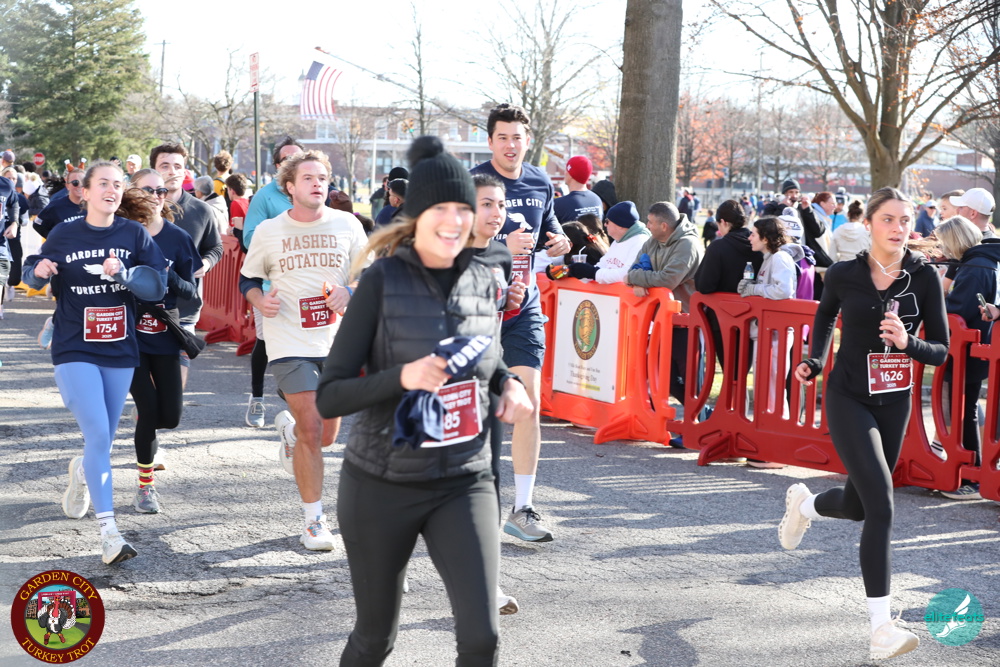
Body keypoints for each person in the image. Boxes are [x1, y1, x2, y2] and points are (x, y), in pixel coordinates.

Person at [315, 136, 532, 664]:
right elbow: (330, 396)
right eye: (442, 209)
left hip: (463, 480)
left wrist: (509, 384)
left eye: (464, 208)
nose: (455, 221)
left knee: (481, 637)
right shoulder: (381, 282)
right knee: (376, 639)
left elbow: (487, 359)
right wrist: (404, 377)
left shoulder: (484, 278)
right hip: (382, 485)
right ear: (417, 217)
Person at [785, 187, 949, 661]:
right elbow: (824, 317)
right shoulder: (843, 273)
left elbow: (940, 350)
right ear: (870, 223)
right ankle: (882, 630)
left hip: (895, 403)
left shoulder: (924, 277)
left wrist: (908, 343)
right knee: (882, 505)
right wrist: (815, 361)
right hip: (848, 396)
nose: (899, 228)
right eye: (889, 219)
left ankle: (805, 505)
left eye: (906, 220)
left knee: (858, 506)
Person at [21, 161, 168, 565]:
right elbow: (32, 276)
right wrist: (39, 269)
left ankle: (84, 471)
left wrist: (127, 273)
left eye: (118, 184)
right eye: (103, 183)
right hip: (74, 348)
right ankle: (110, 533)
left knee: (100, 440)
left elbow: (157, 286)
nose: (112, 190)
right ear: (84, 192)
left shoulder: (133, 234)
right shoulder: (64, 233)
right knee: (100, 435)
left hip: (119, 348)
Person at [240, 150, 368, 551]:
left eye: (323, 178)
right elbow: (248, 280)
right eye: (308, 178)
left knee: (325, 435)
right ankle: (314, 521)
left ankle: (290, 432)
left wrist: (350, 291)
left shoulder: (348, 224)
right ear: (290, 187)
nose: (317, 184)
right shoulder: (269, 231)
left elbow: (369, 273)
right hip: (288, 341)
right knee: (314, 427)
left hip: (337, 342)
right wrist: (260, 301)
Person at [470, 103, 571, 542]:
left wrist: (559, 239)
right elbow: (451, 248)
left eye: (518, 137)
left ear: (528, 141)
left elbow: (548, 227)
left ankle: (523, 508)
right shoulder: (471, 183)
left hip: (523, 304)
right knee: (476, 411)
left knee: (529, 401)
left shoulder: (540, 181)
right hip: (476, 308)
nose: (511, 145)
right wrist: (501, 248)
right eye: (503, 138)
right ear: (490, 141)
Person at [124, 170, 200, 514]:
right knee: (150, 410)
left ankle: (145, 416)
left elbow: (191, 293)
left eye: (162, 190)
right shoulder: (121, 234)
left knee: (170, 417)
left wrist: (167, 277)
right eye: (149, 190)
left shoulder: (178, 237)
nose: (157, 195)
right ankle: (145, 487)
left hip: (165, 333)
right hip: (129, 336)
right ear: (133, 193)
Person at [470, 172, 527, 615]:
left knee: (486, 483)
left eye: (501, 205)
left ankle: (485, 585)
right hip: (436, 388)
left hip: (487, 381)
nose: (496, 213)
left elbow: (492, 318)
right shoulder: (440, 256)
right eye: (486, 204)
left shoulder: (501, 256)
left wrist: (509, 301)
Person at [933, 215, 1000, 500]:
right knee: (966, 408)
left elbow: (958, 309)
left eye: (945, 243)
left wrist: (933, 302)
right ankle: (972, 472)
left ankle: (971, 476)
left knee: (963, 410)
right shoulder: (983, 259)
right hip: (977, 346)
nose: (943, 249)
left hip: (968, 350)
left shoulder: (975, 266)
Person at [241, 137, 304, 428]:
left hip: (306, 284)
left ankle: (295, 396)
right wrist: (283, 237)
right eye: (287, 159)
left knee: (302, 345)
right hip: (271, 284)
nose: (293, 163)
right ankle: (257, 398)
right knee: (267, 343)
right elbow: (248, 238)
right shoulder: (264, 197)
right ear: (277, 165)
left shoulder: (313, 193)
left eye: (298, 158)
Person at [150, 142, 223, 393]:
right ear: (154, 170)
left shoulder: (201, 210)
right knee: (148, 386)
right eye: (165, 166)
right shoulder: (138, 209)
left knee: (173, 390)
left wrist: (207, 262)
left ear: (185, 171)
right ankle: (148, 413)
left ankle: (162, 410)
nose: (172, 171)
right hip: (142, 309)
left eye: (177, 166)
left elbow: (216, 247)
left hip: (184, 309)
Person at [626, 202, 703, 424]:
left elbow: (667, 280)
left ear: (664, 225)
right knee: (664, 378)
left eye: (650, 222)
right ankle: (698, 420)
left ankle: (699, 425)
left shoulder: (687, 244)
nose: (647, 225)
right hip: (661, 321)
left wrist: (639, 280)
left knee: (691, 382)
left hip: (686, 322)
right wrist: (638, 278)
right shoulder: (652, 241)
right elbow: (632, 271)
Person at [738, 216, 799, 459]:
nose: (750, 238)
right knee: (767, 387)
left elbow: (783, 291)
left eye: (754, 233)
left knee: (772, 388)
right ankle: (770, 443)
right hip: (768, 333)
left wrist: (753, 289)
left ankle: (776, 446)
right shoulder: (770, 258)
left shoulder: (779, 258)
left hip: (775, 334)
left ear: (765, 238)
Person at [695, 200, 764, 370]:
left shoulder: (718, 247)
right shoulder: (757, 244)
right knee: (743, 370)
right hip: (752, 315)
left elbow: (704, 285)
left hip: (721, 317)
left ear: (723, 222)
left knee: (730, 370)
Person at [566, 201, 649, 283]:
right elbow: (603, 264)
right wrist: (583, 271)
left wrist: (593, 273)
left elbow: (629, 274)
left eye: (607, 221)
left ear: (620, 225)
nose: (605, 225)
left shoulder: (641, 242)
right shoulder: (619, 240)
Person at [553, 155, 602, 223]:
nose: (565, 173)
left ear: (571, 175)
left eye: (566, 170)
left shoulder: (559, 204)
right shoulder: (596, 200)